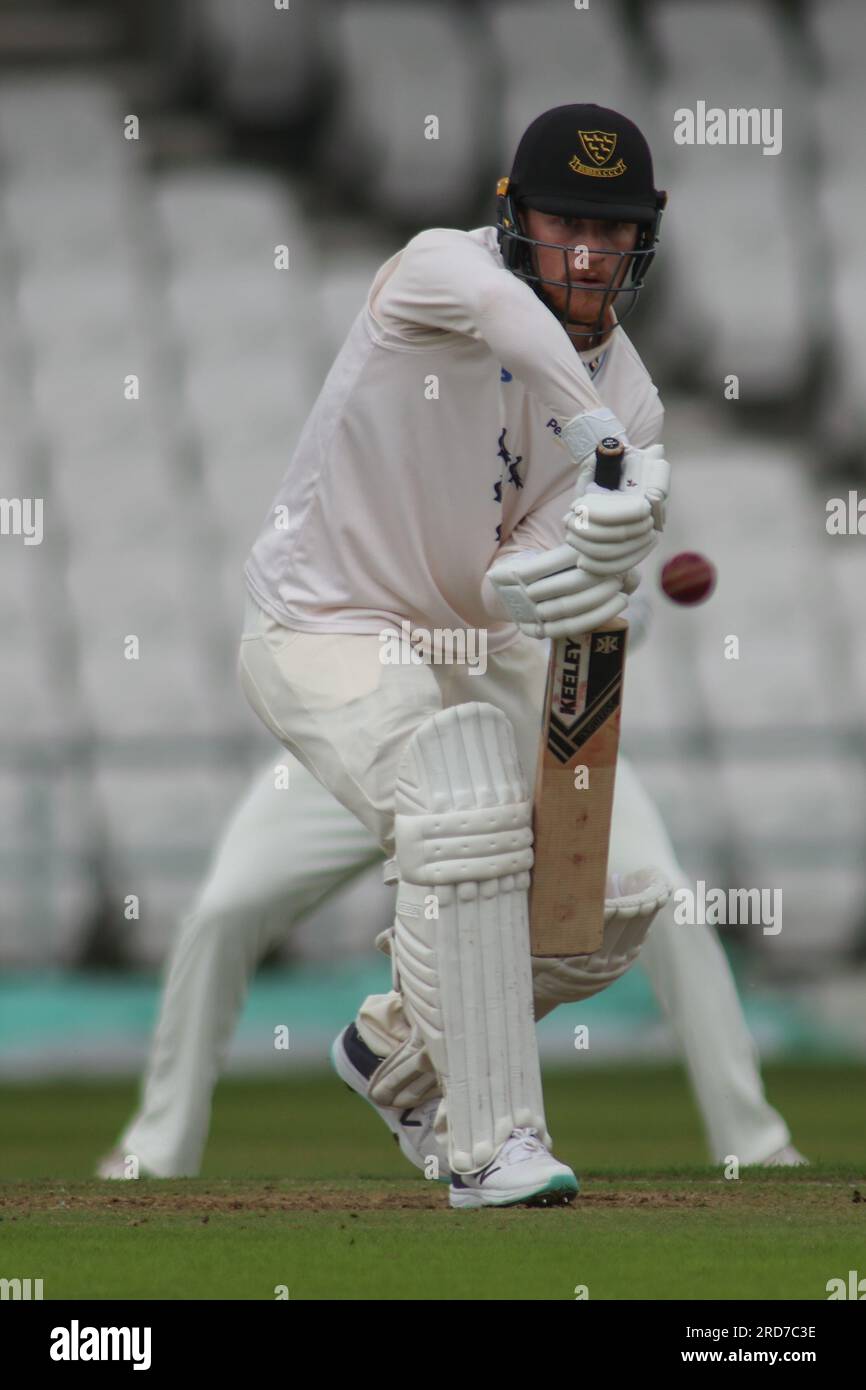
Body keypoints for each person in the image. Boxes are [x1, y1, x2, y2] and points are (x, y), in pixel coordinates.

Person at [99, 105, 804, 1201]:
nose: (588, 252)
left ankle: (389, 1044)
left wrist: (598, 560)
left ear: (643, 238)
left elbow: (511, 583)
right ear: (510, 218)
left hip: (465, 644)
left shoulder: (634, 401)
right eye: (565, 221)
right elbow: (506, 321)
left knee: (605, 900)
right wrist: (608, 451)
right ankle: (487, 1141)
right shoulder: (436, 272)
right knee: (457, 798)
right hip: (324, 626)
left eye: (611, 230)